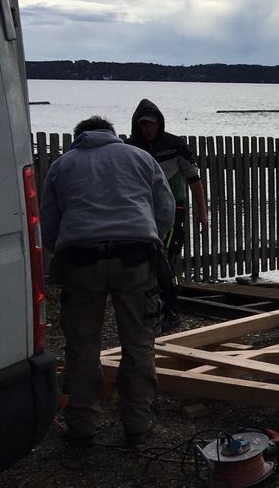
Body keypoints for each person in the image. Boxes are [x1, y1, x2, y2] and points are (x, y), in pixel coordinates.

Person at [40, 116, 175, 448]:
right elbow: (165, 208)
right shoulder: (139, 158)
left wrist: (65, 247)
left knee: (82, 345)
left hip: (81, 260)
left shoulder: (62, 165)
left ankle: (82, 425)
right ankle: (137, 425)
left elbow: (47, 223)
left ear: (79, 137)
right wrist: (150, 237)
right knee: (139, 342)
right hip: (135, 258)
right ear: (112, 134)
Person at [127, 99, 208, 332]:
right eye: (143, 124)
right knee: (144, 263)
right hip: (142, 215)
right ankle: (151, 311)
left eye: (152, 124)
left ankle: (171, 313)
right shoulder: (131, 147)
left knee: (166, 262)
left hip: (175, 212)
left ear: (159, 123)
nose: (148, 129)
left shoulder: (175, 145)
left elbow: (194, 179)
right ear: (137, 125)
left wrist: (202, 213)